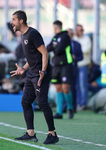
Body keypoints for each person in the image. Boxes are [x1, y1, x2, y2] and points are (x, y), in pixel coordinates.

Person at [10, 10, 58, 144]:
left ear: (21, 21)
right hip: (31, 73)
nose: (11, 22)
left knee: (42, 102)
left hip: (39, 74)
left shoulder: (33, 34)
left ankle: (52, 134)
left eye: (13, 19)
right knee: (25, 102)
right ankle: (30, 133)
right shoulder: (23, 36)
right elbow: (31, 57)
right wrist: (23, 69)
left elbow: (45, 53)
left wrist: (43, 72)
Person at [47, 21, 74, 119]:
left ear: (55, 27)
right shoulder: (55, 37)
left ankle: (70, 108)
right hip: (56, 66)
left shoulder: (65, 36)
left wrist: (54, 47)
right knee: (58, 88)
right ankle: (59, 112)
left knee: (66, 89)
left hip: (66, 65)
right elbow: (48, 47)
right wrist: (54, 47)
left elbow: (58, 49)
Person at [63, 28, 83, 113]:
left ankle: (73, 107)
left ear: (71, 34)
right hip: (63, 69)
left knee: (73, 88)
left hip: (73, 69)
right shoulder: (62, 44)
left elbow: (81, 57)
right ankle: (64, 107)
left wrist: (75, 58)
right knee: (64, 88)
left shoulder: (77, 44)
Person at [73, 24, 92, 110]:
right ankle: (77, 102)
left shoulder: (86, 39)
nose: (80, 32)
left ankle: (83, 103)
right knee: (76, 85)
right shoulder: (74, 39)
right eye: (78, 30)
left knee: (82, 84)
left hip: (83, 65)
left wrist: (77, 51)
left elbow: (86, 50)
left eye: (81, 30)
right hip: (76, 65)